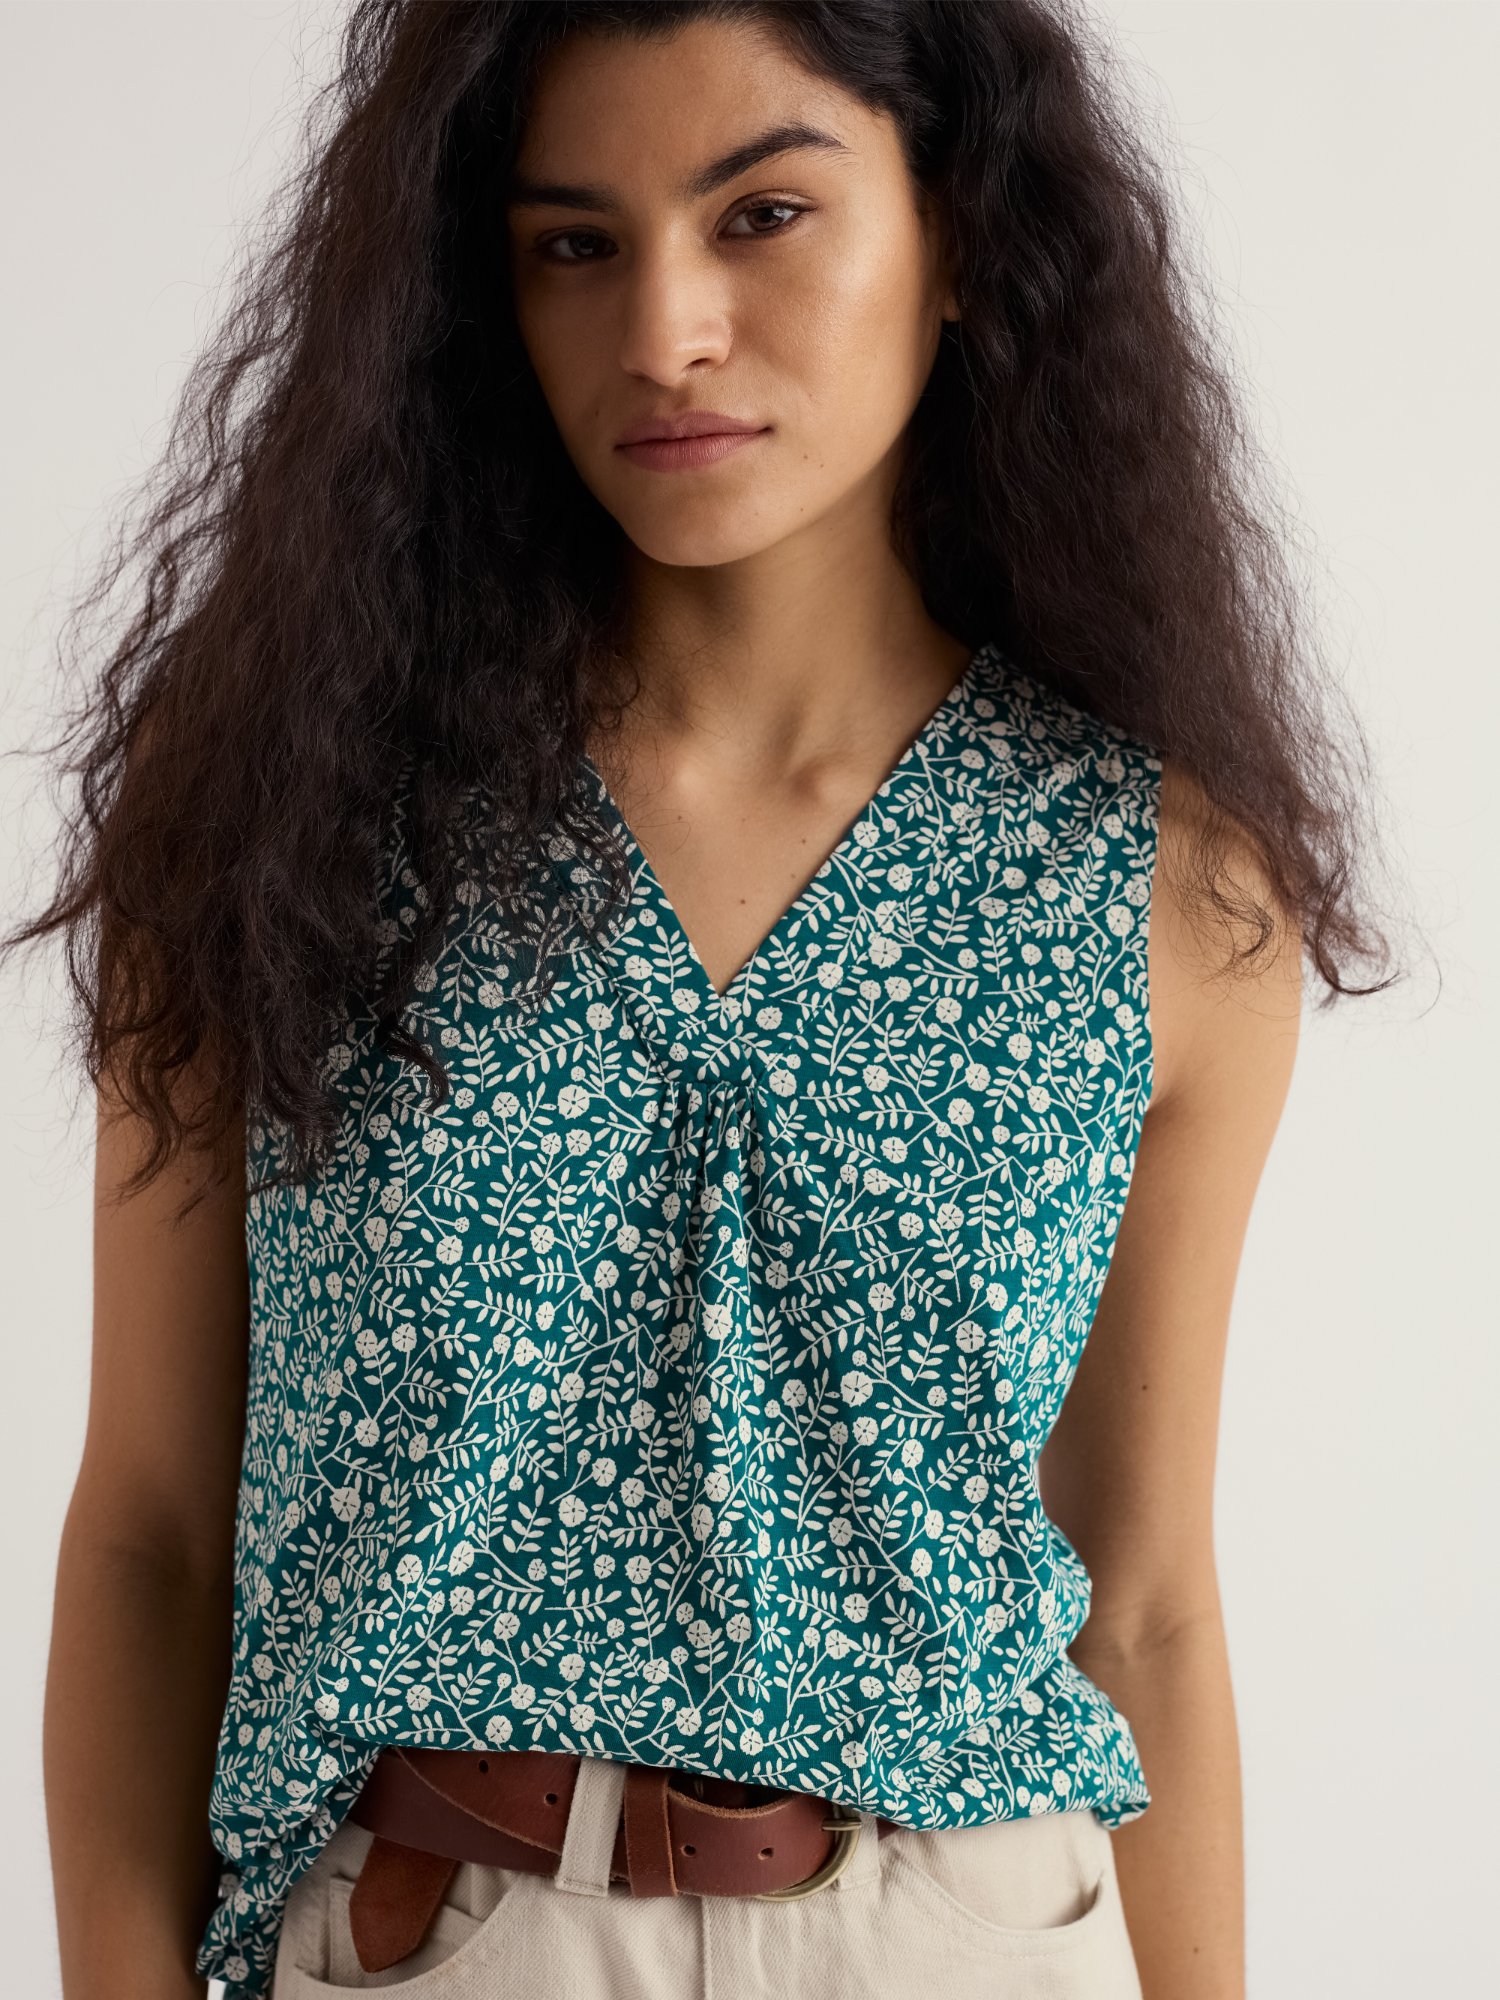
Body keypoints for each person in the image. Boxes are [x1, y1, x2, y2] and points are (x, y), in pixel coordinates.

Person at [15, 3, 1400, 1998]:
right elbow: (152, 1532)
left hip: (976, 1935)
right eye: (574, 243)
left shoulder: (1165, 887)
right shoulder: (281, 815)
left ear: (960, 235)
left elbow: (1150, 1602)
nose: (664, 330)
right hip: (436, 1936)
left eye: (760, 215)